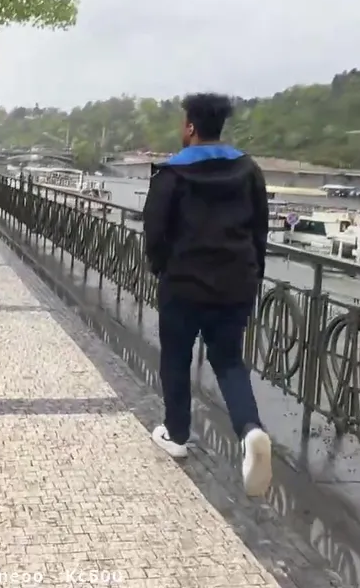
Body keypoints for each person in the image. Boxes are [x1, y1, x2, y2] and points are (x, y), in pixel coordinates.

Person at [142, 92, 273, 498]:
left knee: (176, 357)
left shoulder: (171, 174)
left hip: (183, 283)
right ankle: (250, 430)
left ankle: (177, 433)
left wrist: (161, 268)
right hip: (235, 284)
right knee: (229, 361)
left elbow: (154, 232)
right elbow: (260, 231)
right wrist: (253, 275)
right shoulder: (248, 171)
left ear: (191, 127)